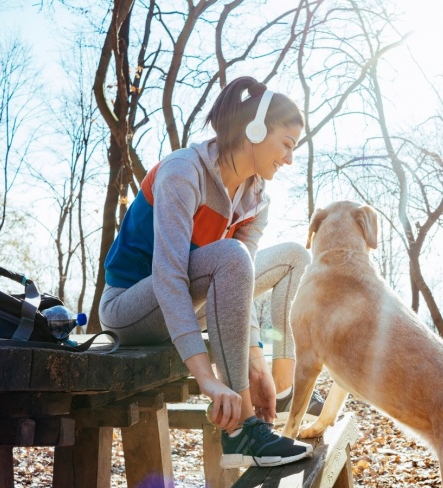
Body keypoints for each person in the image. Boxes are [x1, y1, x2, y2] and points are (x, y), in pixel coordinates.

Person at [99, 76, 317, 469]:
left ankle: (281, 387)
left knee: (294, 257)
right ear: (254, 130)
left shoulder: (256, 199)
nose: (288, 159)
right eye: (286, 145)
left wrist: (255, 359)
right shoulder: (184, 171)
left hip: (190, 299)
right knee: (233, 256)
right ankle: (242, 431)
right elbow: (169, 277)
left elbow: (241, 284)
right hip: (131, 306)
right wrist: (207, 379)